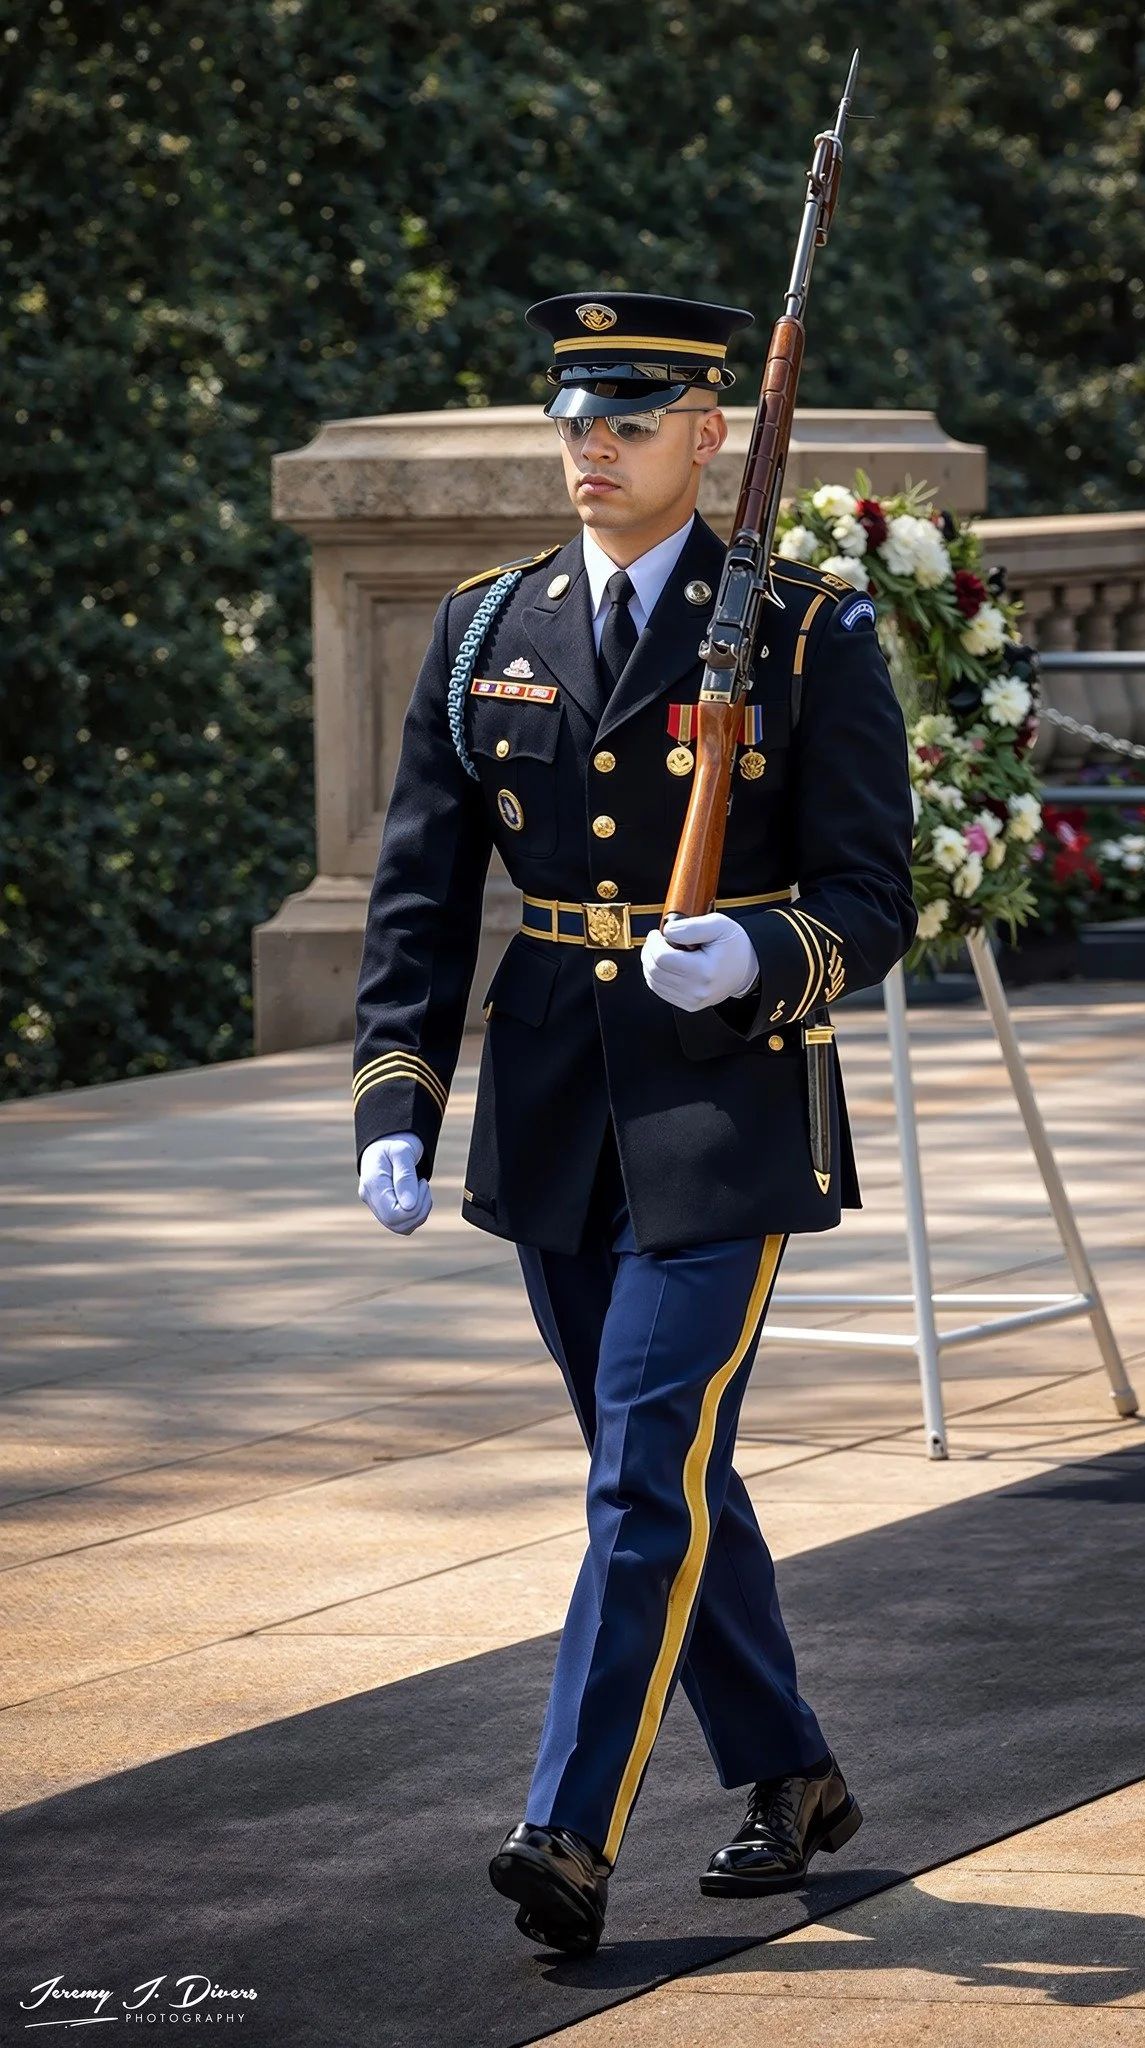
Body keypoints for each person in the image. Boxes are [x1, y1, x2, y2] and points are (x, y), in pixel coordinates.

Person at [353, 290, 916, 1955]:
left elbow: (871, 895)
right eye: (573, 421)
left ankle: (571, 1829)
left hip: (724, 1101)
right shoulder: (484, 628)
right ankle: (792, 1771)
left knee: (643, 1470)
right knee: (656, 1461)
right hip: (547, 1097)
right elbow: (420, 890)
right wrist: (400, 1091)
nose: (589, 448)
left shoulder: (811, 635)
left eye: (627, 422)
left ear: (707, 438)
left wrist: (757, 949)